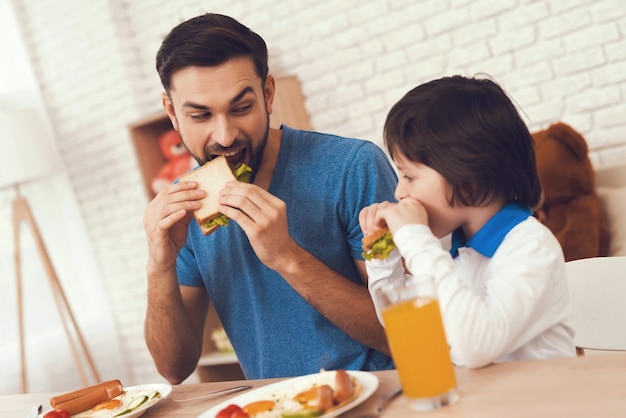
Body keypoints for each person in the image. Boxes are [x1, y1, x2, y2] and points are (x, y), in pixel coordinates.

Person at [143, 13, 397, 383]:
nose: (226, 136)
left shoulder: (353, 167)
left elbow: (405, 331)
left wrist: (286, 257)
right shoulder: (185, 207)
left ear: (268, 94)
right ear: (172, 113)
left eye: (241, 108)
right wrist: (158, 265)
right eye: (200, 115)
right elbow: (173, 369)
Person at [360, 75, 576, 368]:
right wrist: (383, 255)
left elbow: (477, 346)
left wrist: (416, 239)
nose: (399, 192)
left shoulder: (530, 246)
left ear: (469, 183)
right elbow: (404, 319)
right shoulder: (456, 251)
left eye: (409, 176)